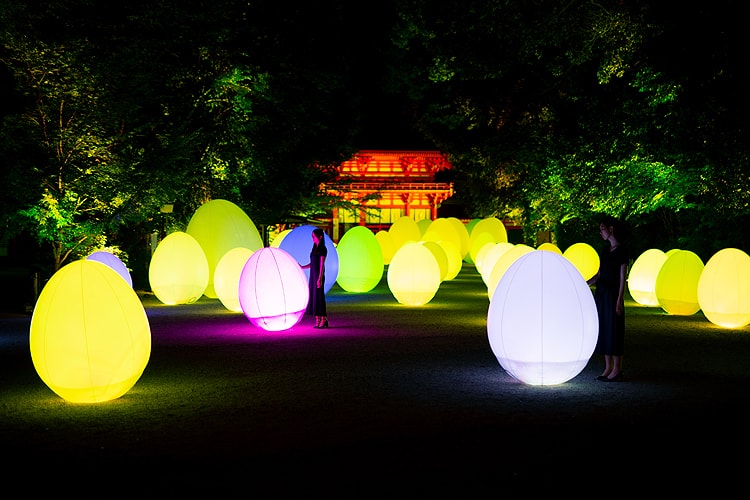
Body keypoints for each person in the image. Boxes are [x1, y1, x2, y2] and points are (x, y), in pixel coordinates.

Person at [587, 216, 629, 382]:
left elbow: (622, 278)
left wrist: (619, 300)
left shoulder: (622, 251)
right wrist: (585, 283)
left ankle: (617, 369)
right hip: (602, 295)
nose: (600, 232)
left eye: (602, 228)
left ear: (611, 229)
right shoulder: (605, 251)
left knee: (615, 330)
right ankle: (607, 367)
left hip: (612, 296)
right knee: (604, 329)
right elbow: (599, 274)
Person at [301, 228, 328, 328]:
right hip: (313, 276)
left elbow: (321, 264)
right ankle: (317, 319)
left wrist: (319, 278)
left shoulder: (323, 249)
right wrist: (302, 267)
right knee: (314, 297)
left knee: (319, 297)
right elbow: (313, 263)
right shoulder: (314, 249)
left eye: (314, 236)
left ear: (320, 237)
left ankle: (323, 319)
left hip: (318, 276)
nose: (312, 238)